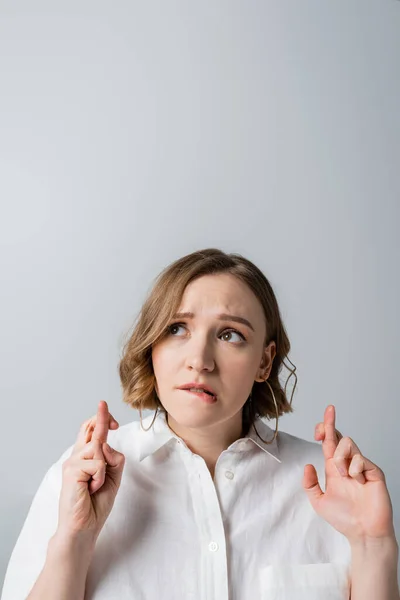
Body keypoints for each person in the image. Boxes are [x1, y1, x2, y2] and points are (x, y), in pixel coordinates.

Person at [1, 248, 398, 600]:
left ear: (264, 360)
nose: (200, 360)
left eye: (230, 335)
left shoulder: (333, 487)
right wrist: (74, 539)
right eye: (177, 329)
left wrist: (373, 544)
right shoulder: (78, 482)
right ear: (152, 344)